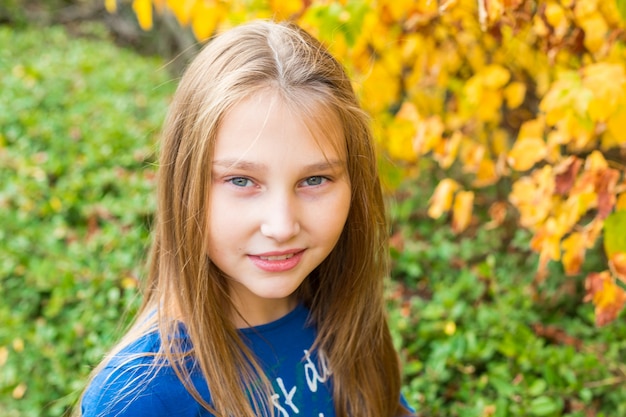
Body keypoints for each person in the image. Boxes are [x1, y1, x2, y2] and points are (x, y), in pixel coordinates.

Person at [79, 19, 415, 417]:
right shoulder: (140, 398)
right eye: (241, 180)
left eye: (314, 179)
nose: (282, 225)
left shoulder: (343, 318)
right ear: (183, 184)